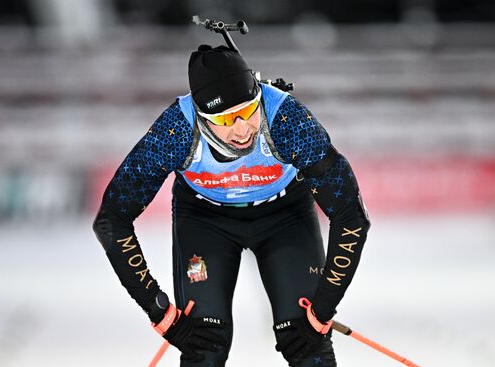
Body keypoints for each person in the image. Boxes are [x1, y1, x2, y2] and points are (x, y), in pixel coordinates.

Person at [93, 44, 371, 367]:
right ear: (202, 117)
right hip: (205, 220)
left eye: (250, 111)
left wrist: (322, 310)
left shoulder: (286, 119)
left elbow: (351, 215)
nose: (242, 129)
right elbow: (111, 219)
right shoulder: (177, 130)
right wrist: (162, 314)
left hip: (285, 216)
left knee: (306, 341)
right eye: (226, 119)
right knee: (205, 345)